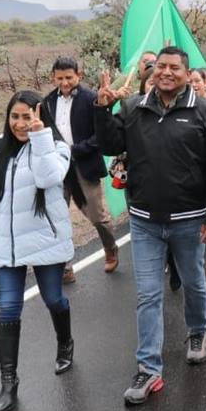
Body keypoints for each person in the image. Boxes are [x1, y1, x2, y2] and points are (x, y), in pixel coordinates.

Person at [93, 46, 206, 405]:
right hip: (144, 222)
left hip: (189, 220)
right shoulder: (134, 107)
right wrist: (102, 109)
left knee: (193, 282)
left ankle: (197, 331)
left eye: (174, 68)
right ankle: (149, 368)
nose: (166, 72)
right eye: (160, 67)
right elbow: (110, 144)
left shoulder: (203, 110)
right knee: (148, 294)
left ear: (186, 73)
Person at [0, 91, 74, 411]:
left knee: (54, 299)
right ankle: (8, 382)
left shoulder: (57, 148)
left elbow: (48, 178)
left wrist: (39, 135)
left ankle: (65, 342)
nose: (21, 124)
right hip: (8, 245)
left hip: (45, 240)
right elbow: (2, 199)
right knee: (8, 309)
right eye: (15, 117)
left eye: (28, 116)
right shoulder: (0, 147)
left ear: (40, 117)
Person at [41, 57, 118, 284]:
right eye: (60, 78)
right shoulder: (46, 102)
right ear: (53, 78)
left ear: (79, 76)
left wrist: (75, 151)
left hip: (85, 164)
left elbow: (101, 134)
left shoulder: (92, 98)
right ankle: (64, 265)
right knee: (57, 216)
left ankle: (110, 247)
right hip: (57, 168)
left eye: (69, 77)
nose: (64, 82)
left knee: (96, 215)